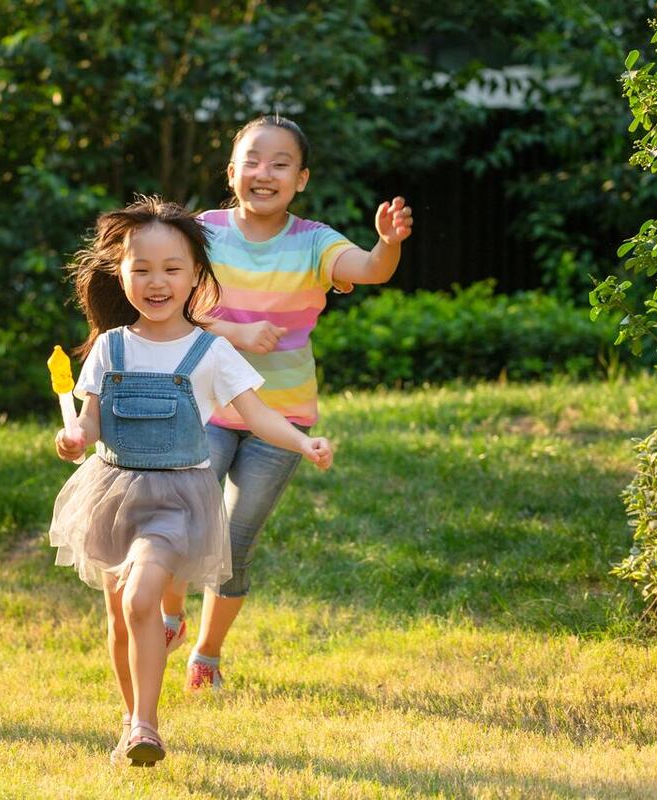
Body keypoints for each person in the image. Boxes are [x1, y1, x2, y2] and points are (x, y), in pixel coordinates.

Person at [49, 196, 333, 767]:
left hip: (176, 500)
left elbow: (256, 414)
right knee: (119, 613)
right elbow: (90, 419)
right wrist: (75, 435)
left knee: (142, 595)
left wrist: (303, 441)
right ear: (120, 273)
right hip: (111, 493)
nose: (157, 282)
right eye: (142, 269)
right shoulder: (110, 346)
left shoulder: (210, 351)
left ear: (197, 276)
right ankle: (131, 719)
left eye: (172, 269)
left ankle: (147, 727)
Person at [158, 114, 414, 691]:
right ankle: (171, 613)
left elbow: (371, 270)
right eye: (252, 160)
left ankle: (207, 655)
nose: (263, 173)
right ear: (231, 172)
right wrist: (235, 333)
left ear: (301, 179)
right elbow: (167, 303)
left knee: (233, 540)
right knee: (181, 521)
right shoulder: (203, 231)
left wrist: (388, 243)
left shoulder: (315, 242)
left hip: (283, 416)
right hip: (210, 405)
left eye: (279, 164)